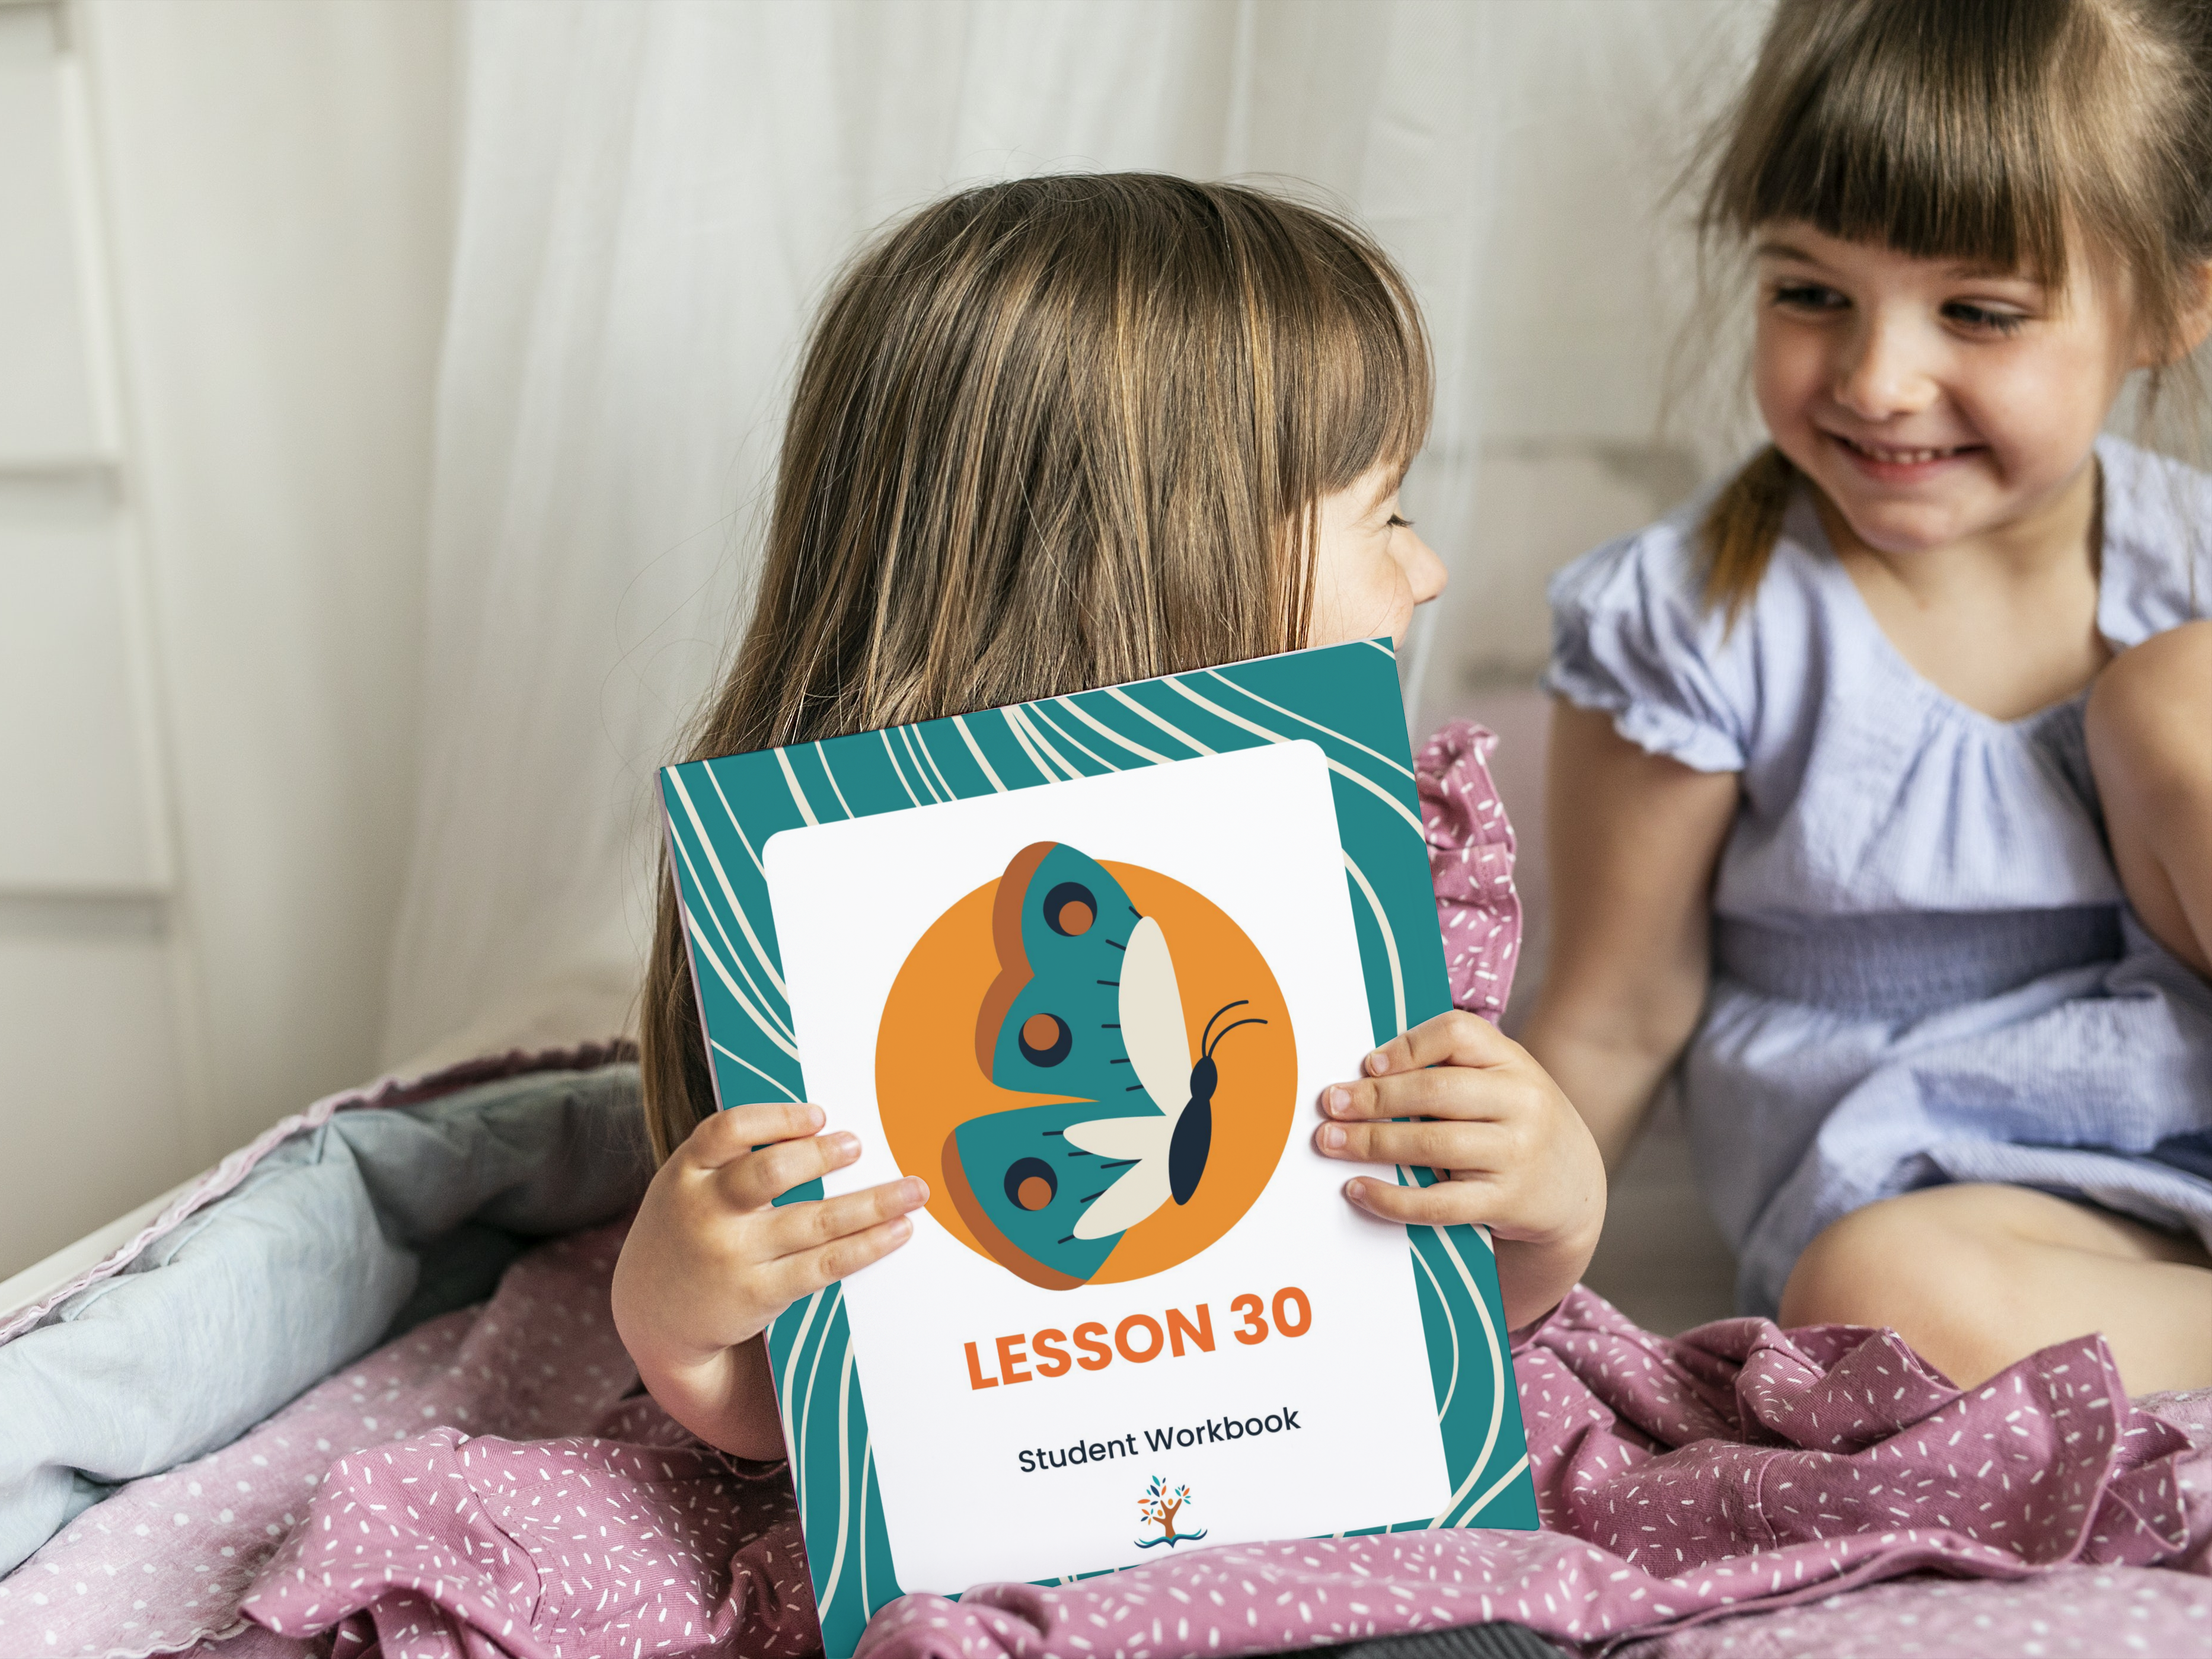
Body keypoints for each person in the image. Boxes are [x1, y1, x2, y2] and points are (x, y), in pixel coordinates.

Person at [610, 175, 1607, 1459]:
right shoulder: (809, 907)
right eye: (1388, 515)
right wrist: (675, 1323)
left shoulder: (1374, 867)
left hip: (1331, 1463)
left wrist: (1555, 1207)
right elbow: (788, 1421)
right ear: (1184, 553)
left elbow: (1428, 1309)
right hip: (1005, 1507)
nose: (1428, 570)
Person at [1524, 0, 2212, 1392]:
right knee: (1875, 1303)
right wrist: (1473, 1282)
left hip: (2181, 1110)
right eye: (1808, 292)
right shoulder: (1693, 623)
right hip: (1942, 1210)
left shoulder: (2185, 569)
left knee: (2177, 693)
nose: (1875, 379)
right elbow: (1611, 1017)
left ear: (2169, 310)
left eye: (1976, 311)